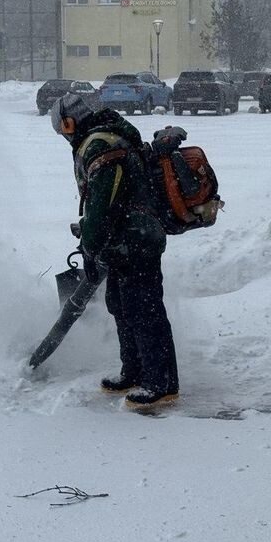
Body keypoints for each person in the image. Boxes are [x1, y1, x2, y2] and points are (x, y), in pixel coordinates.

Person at [50, 93, 179, 409]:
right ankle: (134, 371)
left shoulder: (100, 145)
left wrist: (91, 245)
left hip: (137, 240)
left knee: (144, 310)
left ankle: (161, 384)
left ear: (70, 123)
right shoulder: (103, 137)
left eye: (63, 128)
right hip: (122, 242)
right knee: (121, 306)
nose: (64, 136)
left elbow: (101, 205)